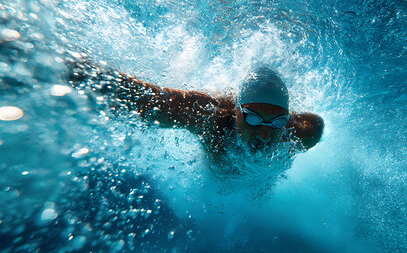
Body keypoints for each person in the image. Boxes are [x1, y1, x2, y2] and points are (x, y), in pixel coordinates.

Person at [68, 60, 324, 161]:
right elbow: (143, 97)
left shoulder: (296, 133)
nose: (266, 136)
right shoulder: (210, 117)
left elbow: (316, 124)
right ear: (236, 111)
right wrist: (75, 71)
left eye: (277, 122)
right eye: (253, 120)